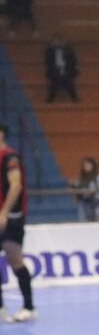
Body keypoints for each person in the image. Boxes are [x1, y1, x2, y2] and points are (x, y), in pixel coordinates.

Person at [0, 124, 35, 324]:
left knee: (14, 259)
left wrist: (4, 212)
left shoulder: (10, 158)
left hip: (11, 216)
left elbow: (16, 185)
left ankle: (29, 307)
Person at [44, 34, 79, 103]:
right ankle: (49, 102)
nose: (58, 43)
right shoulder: (50, 51)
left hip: (66, 72)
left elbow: (73, 61)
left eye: (60, 41)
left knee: (70, 86)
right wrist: (52, 47)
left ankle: (76, 101)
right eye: (56, 41)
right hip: (54, 72)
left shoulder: (69, 50)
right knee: (53, 87)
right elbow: (47, 61)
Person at [74, 157, 99, 222]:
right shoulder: (82, 178)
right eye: (84, 165)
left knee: (98, 224)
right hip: (84, 204)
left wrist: (94, 193)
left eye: (88, 165)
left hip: (97, 204)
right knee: (84, 223)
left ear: (93, 165)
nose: (86, 167)